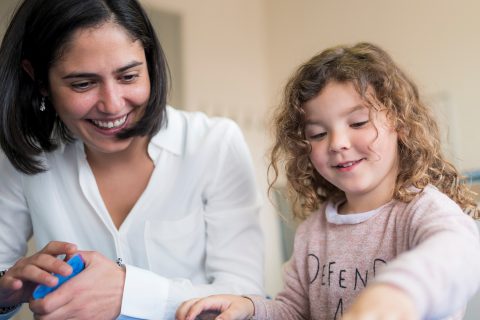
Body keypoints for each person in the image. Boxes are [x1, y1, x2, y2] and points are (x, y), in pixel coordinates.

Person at [176, 42, 480, 320]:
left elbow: (459, 253)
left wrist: (396, 295)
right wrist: (250, 308)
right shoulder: (314, 231)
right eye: (318, 134)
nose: (337, 143)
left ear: (399, 124)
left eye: (358, 123)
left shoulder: (423, 209)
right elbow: (293, 311)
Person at [0, 0, 264, 319]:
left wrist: (129, 292)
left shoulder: (213, 145)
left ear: (149, 63)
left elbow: (245, 296)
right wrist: (5, 293)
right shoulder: (25, 157)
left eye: (128, 76)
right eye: (83, 84)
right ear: (39, 80)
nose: (112, 105)